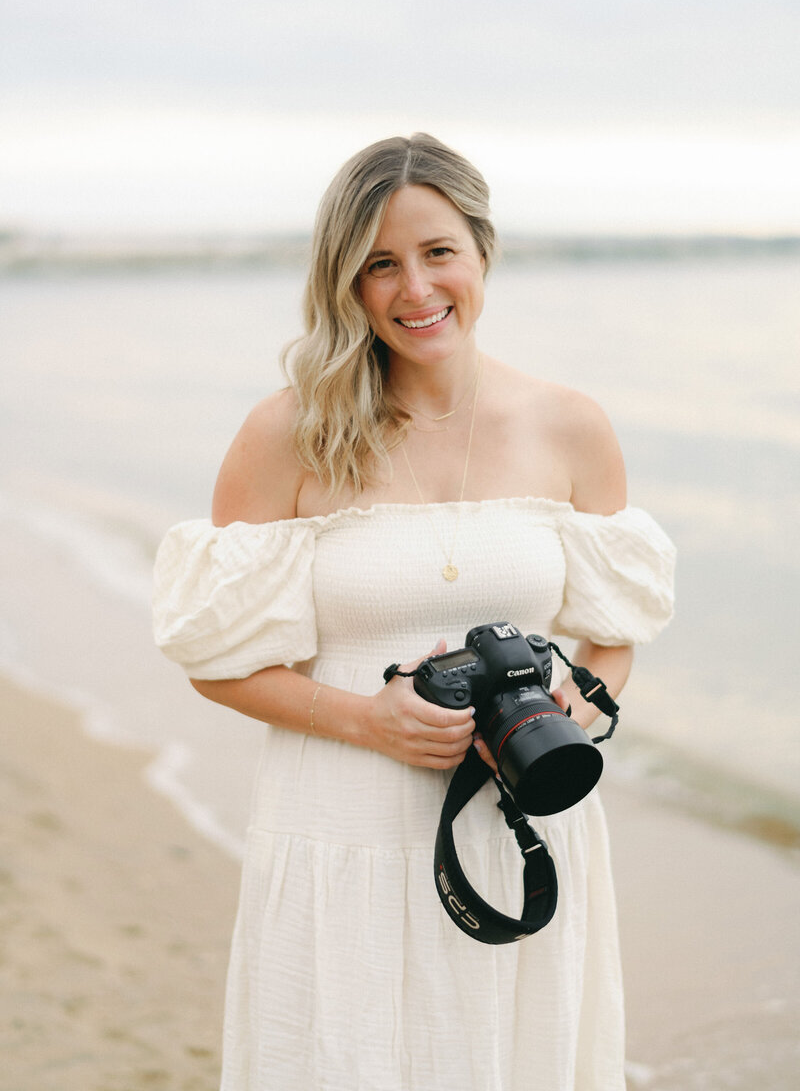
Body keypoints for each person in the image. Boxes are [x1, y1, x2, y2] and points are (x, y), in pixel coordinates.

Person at [153, 133, 675, 1091]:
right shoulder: (288, 433)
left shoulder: (570, 424)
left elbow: (614, 634)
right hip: (340, 830)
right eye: (379, 265)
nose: (415, 289)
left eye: (439, 253)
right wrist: (370, 719)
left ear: (482, 250)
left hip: (518, 817)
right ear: (343, 282)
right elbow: (216, 661)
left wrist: (574, 708)